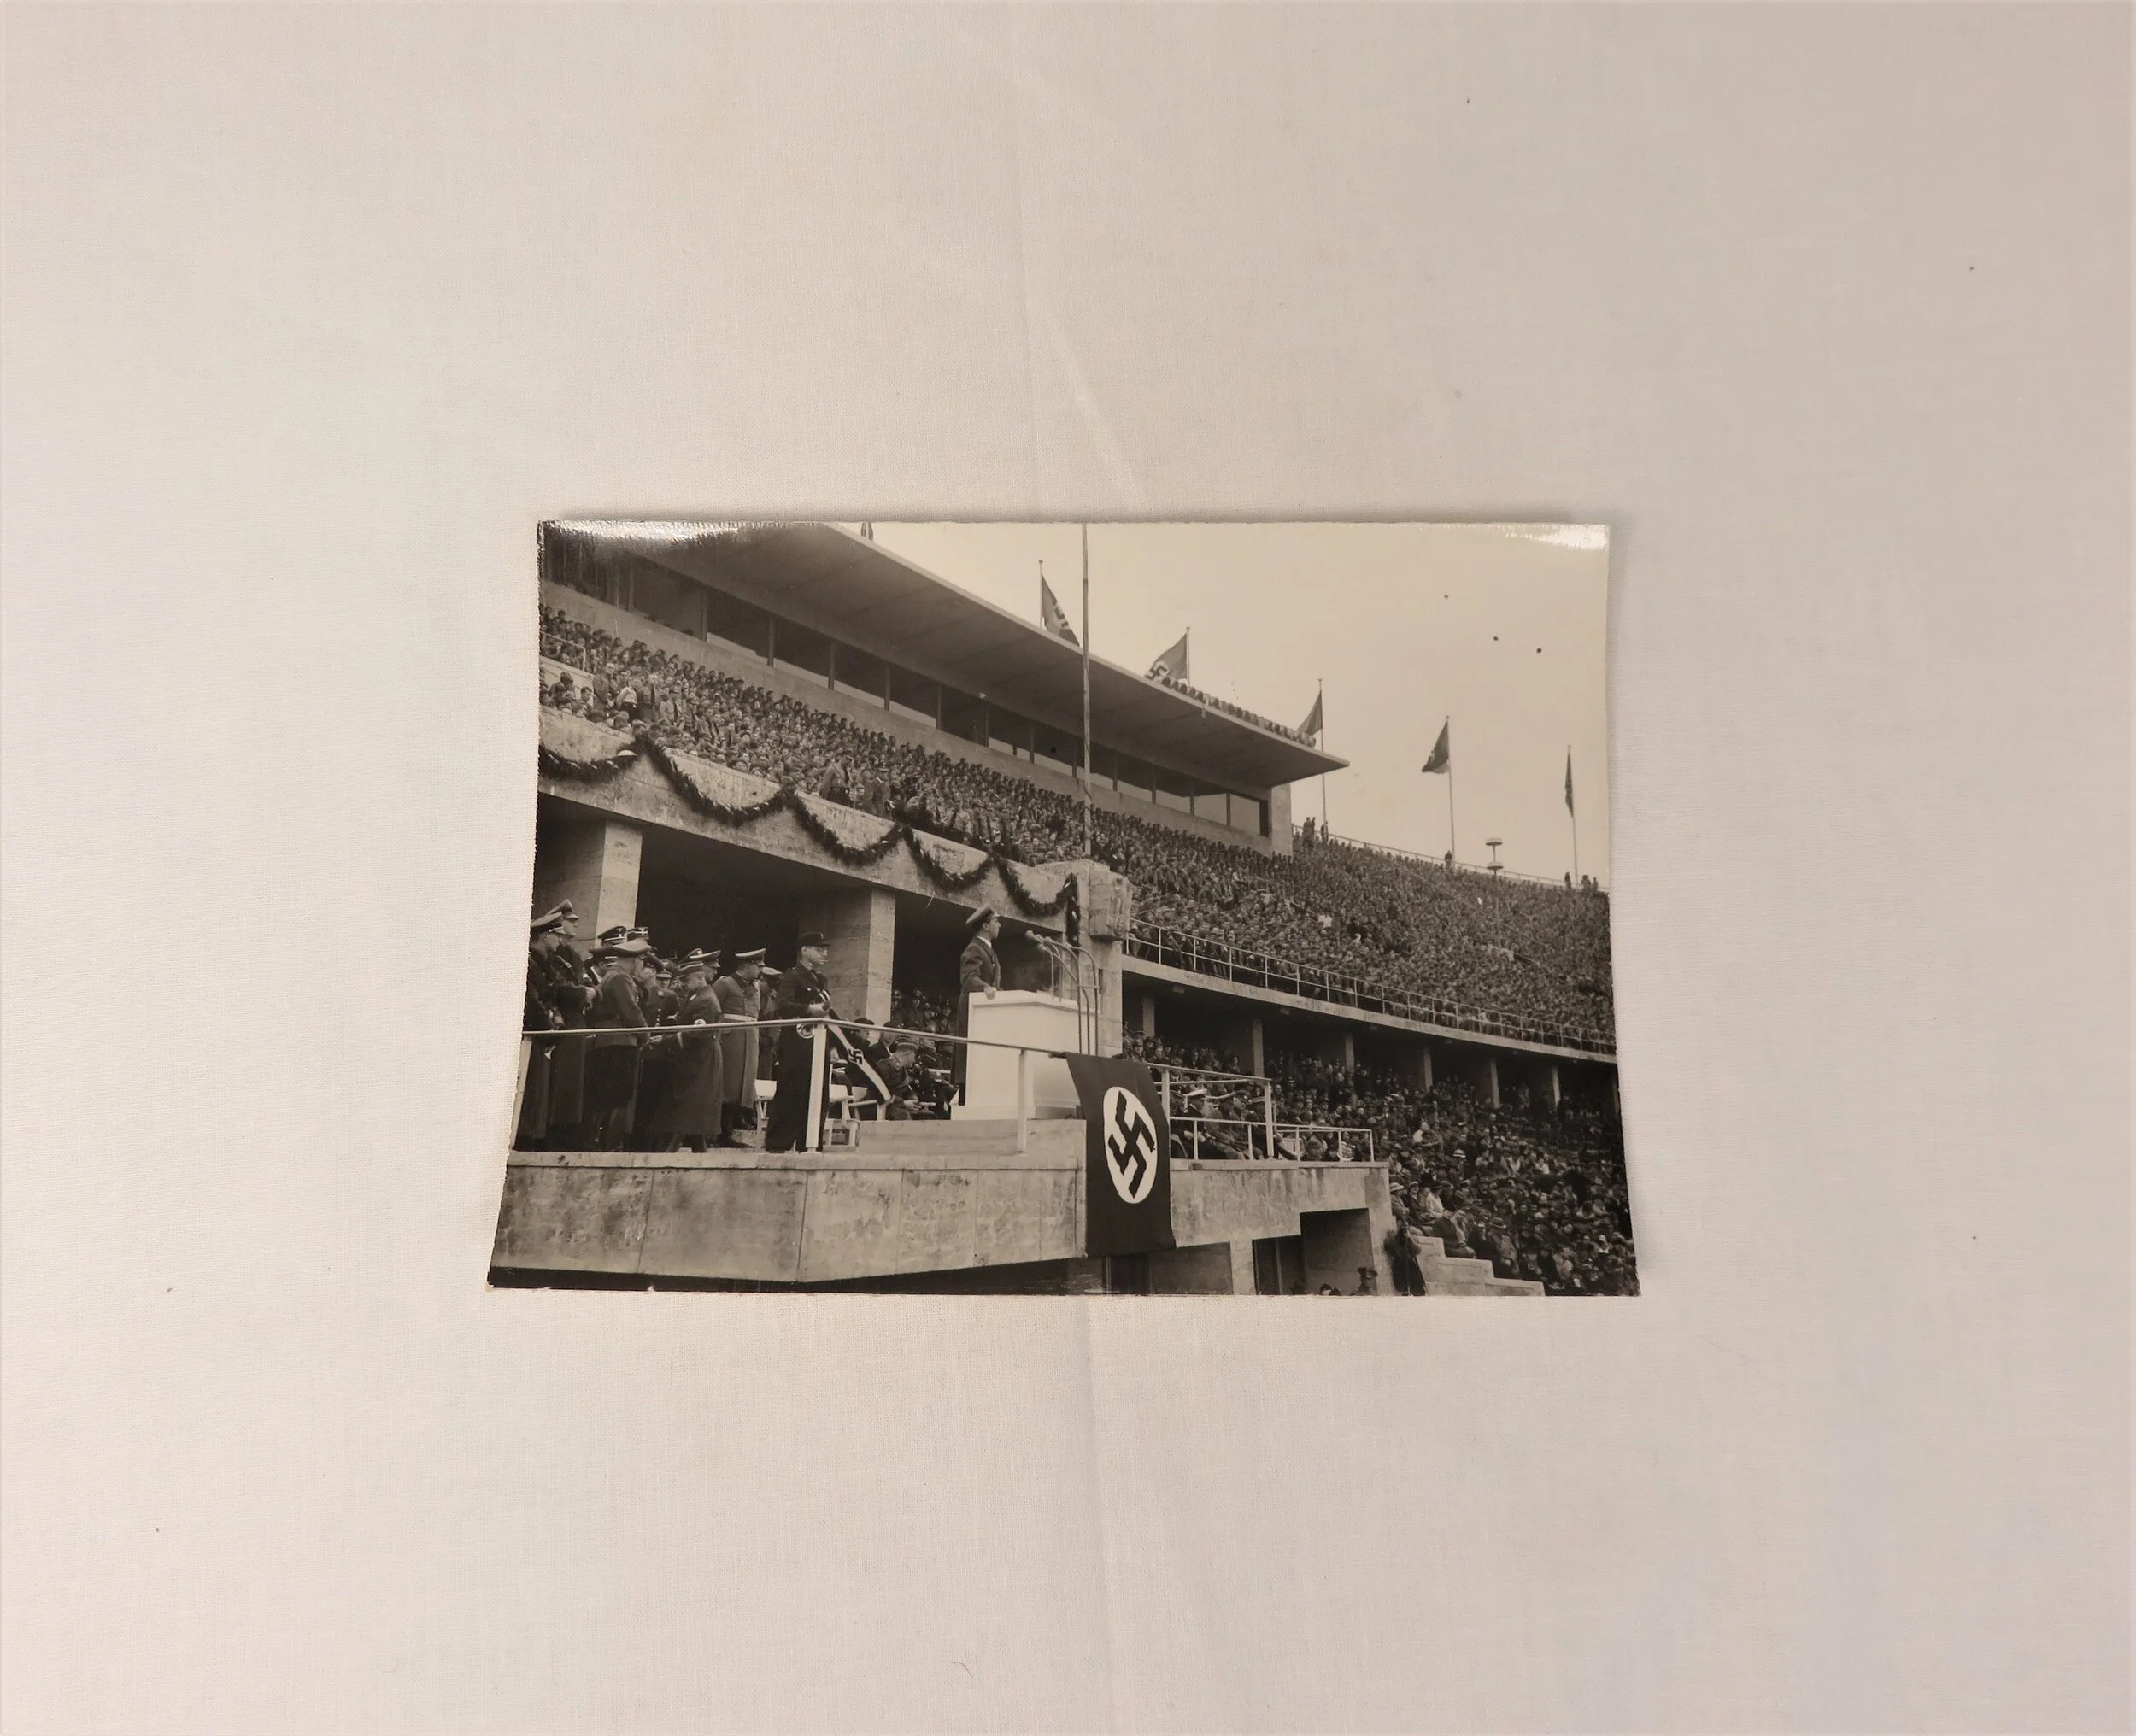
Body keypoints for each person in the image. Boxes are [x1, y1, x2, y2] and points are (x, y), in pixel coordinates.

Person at [762, 931, 831, 1152]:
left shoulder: (821, 979)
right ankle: (778, 1143)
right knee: (792, 1091)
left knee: (818, 1093)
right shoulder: (792, 976)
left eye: (825, 949)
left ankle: (810, 1142)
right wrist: (808, 1009)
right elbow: (782, 1005)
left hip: (817, 1042)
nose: (824, 953)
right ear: (804, 950)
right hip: (796, 1041)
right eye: (819, 949)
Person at [584, 937, 655, 1150]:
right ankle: (610, 1143)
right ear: (635, 960)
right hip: (620, 1042)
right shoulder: (621, 979)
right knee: (619, 1094)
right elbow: (631, 1013)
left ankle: (598, 1141)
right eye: (642, 961)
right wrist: (645, 1035)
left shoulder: (611, 976)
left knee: (608, 1094)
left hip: (609, 1041)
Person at [652, 951, 725, 1153]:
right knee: (692, 1109)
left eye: (686, 980)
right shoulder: (697, 996)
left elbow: (697, 1033)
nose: (682, 984)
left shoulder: (706, 1000)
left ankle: (671, 1151)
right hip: (694, 1059)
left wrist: (666, 1041)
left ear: (699, 978)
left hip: (701, 1060)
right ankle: (698, 1150)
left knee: (690, 1107)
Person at [711, 947, 765, 1146]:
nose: (761, 970)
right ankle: (718, 1132)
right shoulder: (725, 984)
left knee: (743, 1087)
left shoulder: (755, 988)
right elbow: (713, 1010)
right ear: (748, 965)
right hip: (730, 1039)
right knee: (727, 1085)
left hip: (749, 1039)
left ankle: (729, 1131)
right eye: (758, 966)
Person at [950, 906, 1001, 1101]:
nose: (1000, 925)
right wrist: (985, 988)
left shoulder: (989, 950)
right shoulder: (974, 949)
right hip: (973, 1010)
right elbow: (969, 978)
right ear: (986, 925)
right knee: (969, 1060)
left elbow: (993, 984)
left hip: (984, 1011)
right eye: (996, 921)